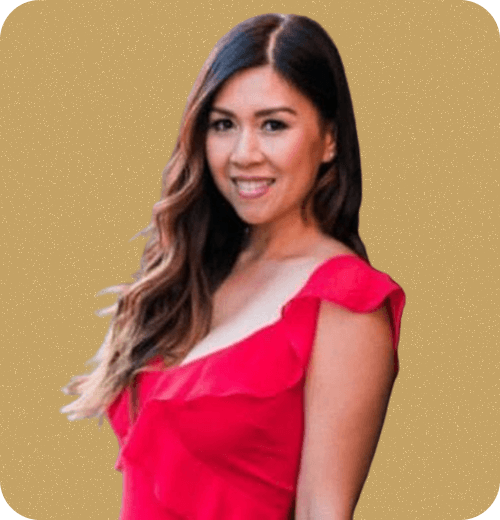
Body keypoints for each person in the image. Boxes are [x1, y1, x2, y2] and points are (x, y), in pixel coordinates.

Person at [61, 13, 406, 520]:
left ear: (329, 139)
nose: (244, 154)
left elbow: (322, 509)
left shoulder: (346, 302)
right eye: (223, 125)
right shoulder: (198, 270)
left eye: (273, 125)